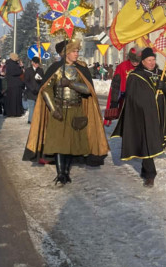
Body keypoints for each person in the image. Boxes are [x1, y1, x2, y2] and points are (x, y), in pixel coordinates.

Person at [23, 40, 108, 184]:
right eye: (74, 51)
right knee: (59, 144)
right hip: (59, 110)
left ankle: (66, 170)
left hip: (76, 110)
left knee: (71, 143)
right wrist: (53, 109)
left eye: (77, 51)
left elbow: (88, 90)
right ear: (67, 53)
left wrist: (70, 83)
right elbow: (46, 90)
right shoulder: (55, 68)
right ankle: (61, 173)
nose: (77, 54)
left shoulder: (81, 69)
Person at [112, 47, 166, 187]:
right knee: (148, 141)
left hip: (161, 114)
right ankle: (150, 174)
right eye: (149, 60)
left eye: (153, 59)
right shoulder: (135, 76)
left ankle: (144, 168)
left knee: (153, 141)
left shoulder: (160, 74)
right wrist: (146, 102)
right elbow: (132, 97)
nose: (152, 62)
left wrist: (164, 87)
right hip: (144, 114)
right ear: (143, 61)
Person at [104, 48, 140, 125]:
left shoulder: (143, 67)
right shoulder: (122, 66)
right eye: (133, 60)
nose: (135, 63)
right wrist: (114, 102)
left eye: (137, 60)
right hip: (125, 100)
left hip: (139, 100)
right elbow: (116, 85)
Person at [24, 56, 44, 124]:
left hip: (38, 91)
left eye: (38, 63)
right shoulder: (28, 70)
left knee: (37, 107)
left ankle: (37, 120)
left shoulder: (40, 70)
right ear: (32, 63)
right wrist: (32, 89)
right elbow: (26, 81)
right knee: (31, 106)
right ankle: (31, 120)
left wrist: (38, 88)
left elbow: (42, 81)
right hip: (30, 91)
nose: (37, 64)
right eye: (36, 63)